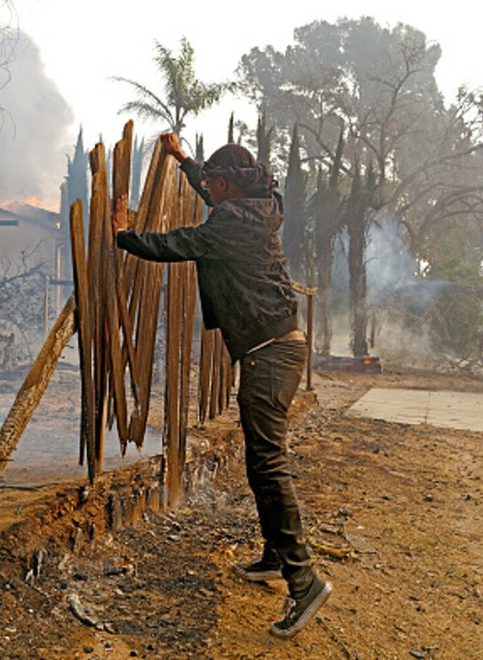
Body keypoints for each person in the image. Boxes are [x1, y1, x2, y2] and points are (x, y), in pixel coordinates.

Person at [111, 132, 331, 639]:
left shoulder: (230, 223)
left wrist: (124, 235)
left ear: (228, 184)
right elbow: (213, 195)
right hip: (277, 347)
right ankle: (277, 558)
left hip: (267, 354)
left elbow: (176, 245)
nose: (207, 189)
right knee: (261, 459)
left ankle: (305, 581)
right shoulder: (260, 206)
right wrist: (185, 161)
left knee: (269, 463)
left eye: (212, 181)